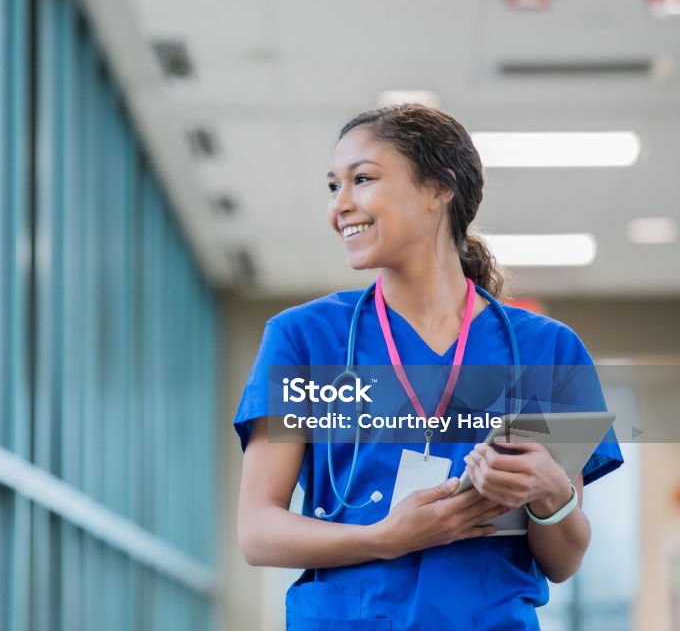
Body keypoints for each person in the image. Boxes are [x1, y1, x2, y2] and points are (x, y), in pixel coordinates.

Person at [234, 104, 623, 630]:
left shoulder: (546, 350)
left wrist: (549, 492)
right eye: (333, 186)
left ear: (440, 189)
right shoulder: (303, 339)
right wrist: (386, 536)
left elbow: (564, 561)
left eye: (363, 179)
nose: (340, 206)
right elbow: (258, 531)